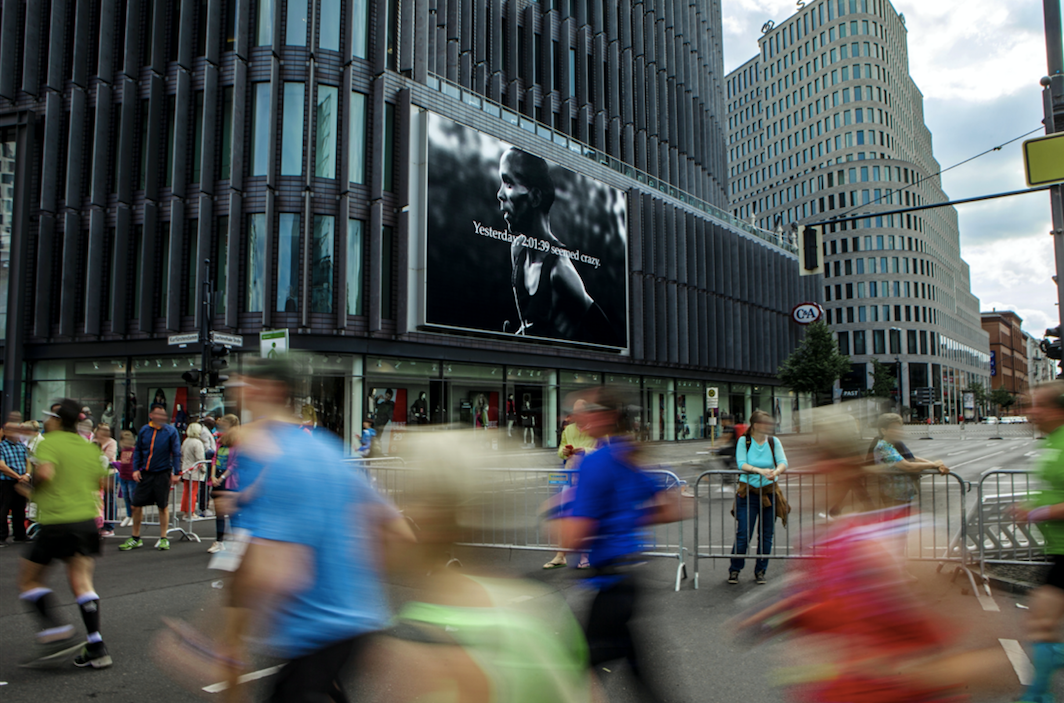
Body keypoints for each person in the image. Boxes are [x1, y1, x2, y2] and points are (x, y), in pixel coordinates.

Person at [211, 358, 415, 702]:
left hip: (314, 631)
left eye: (243, 388)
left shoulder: (278, 460)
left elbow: (269, 571)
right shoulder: (327, 448)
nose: (238, 396)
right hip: (357, 624)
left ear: (269, 390)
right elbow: (398, 530)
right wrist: (353, 579)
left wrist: (226, 647)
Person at [558, 387, 691, 702]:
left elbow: (573, 537)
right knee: (639, 676)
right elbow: (672, 508)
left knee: (570, 671)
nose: (579, 417)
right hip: (628, 582)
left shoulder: (596, 463)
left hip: (611, 584)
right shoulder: (626, 456)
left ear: (605, 416)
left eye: (586, 409)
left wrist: (558, 509)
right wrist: (626, 520)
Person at [17, 399, 113, 669]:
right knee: (82, 583)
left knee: (28, 580)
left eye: (49, 417)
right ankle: (96, 645)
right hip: (85, 523)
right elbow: (102, 481)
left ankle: (55, 632)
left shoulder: (49, 442)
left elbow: (45, 472)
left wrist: (31, 488)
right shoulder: (88, 447)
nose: (46, 421)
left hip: (57, 521)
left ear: (58, 420)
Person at [498, 148, 613, 344]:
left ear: (534, 197)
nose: (500, 194)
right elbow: (529, 323)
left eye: (508, 184)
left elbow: (607, 334)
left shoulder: (560, 269)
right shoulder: (517, 250)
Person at [1011, 382, 1064, 703]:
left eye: (1038, 406)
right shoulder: (1052, 442)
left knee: (1041, 623)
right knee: (1041, 622)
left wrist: (1037, 512)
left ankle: (1038, 694)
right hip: (1057, 550)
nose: (1030, 413)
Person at [728, 410, 788, 585]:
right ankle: (735, 569)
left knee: (766, 535)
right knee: (743, 534)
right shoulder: (744, 441)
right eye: (765, 422)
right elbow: (741, 463)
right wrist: (760, 470)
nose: (769, 426)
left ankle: (761, 570)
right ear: (755, 425)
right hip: (748, 493)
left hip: (769, 493)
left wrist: (776, 471)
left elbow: (783, 461)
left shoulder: (773, 441)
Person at [119, 403, 182, 552]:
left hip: (162, 473)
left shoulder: (170, 431)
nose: (161, 417)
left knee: (162, 506)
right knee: (135, 505)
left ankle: (163, 538)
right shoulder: (144, 430)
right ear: (151, 415)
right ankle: (135, 537)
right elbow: (139, 450)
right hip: (146, 473)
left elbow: (176, 452)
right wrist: (135, 469)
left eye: (163, 415)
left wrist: (177, 473)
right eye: (158, 414)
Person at [544, 399, 597, 570]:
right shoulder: (568, 429)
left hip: (589, 478)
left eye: (580, 411)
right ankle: (561, 556)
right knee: (564, 514)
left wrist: (585, 451)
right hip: (570, 475)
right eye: (574, 412)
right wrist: (564, 452)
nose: (576, 415)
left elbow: (606, 452)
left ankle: (585, 555)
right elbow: (560, 451)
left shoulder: (598, 430)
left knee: (584, 516)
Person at [870, 413, 948, 512]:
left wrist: (937, 465)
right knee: (896, 525)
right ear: (883, 430)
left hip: (902, 494)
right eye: (894, 428)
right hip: (893, 495)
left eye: (899, 428)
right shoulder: (884, 447)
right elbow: (907, 466)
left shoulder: (893, 445)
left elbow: (912, 458)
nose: (898, 431)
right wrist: (933, 465)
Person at [207, 414, 240, 554]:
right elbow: (214, 458)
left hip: (230, 480)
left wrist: (222, 477)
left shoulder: (239, 442)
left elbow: (235, 463)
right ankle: (219, 541)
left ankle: (238, 543)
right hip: (219, 477)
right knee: (219, 512)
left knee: (232, 512)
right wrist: (213, 476)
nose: (222, 426)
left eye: (225, 424)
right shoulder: (220, 440)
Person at [0, 422, 30, 546]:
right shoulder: (1, 446)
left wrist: (27, 475)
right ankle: (1, 536)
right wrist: (17, 476)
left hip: (21, 480)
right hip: (6, 481)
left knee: (20, 509)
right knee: (3, 509)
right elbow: (2, 466)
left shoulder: (22, 446)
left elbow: (28, 462)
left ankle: (20, 535)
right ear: (5, 432)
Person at [179, 423, 207, 520]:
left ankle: (186, 512)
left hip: (186, 469)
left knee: (186, 491)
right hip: (194, 471)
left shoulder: (186, 441)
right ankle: (191, 512)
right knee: (193, 492)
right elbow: (200, 458)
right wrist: (204, 469)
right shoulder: (197, 442)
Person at [115, 430, 137, 528]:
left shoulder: (134, 450)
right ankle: (129, 515)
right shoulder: (124, 451)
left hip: (131, 477)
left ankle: (134, 516)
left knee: (132, 497)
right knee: (126, 497)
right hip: (123, 476)